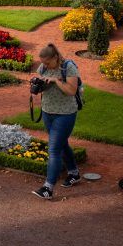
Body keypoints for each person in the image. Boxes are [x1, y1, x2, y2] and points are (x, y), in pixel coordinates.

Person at [31, 43, 82, 200]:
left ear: (55, 57)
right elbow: (41, 88)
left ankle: (48, 188)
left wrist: (55, 80)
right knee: (62, 144)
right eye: (43, 63)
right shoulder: (44, 67)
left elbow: (71, 90)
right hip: (48, 112)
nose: (44, 65)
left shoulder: (69, 67)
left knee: (53, 150)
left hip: (65, 114)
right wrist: (38, 86)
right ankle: (74, 173)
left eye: (47, 62)